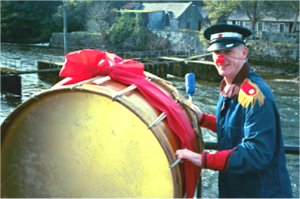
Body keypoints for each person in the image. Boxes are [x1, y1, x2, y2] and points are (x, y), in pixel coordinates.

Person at [176, 23, 293, 198]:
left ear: (244, 53)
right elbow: (234, 126)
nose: (221, 59)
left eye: (228, 52)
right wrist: (202, 119)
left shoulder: (255, 96)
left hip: (260, 192)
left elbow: (257, 151)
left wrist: (203, 159)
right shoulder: (229, 86)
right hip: (236, 189)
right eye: (217, 53)